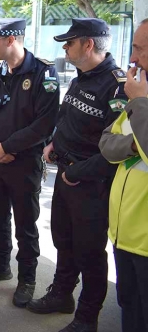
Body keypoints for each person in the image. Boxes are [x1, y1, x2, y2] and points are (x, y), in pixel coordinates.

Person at [26, 19, 126, 332]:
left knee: (90, 253)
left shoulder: (117, 85)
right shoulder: (81, 77)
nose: (65, 48)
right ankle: (61, 295)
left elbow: (117, 149)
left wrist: (78, 173)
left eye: (70, 43)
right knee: (64, 240)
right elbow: (67, 117)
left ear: (89, 44)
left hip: (91, 183)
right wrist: (55, 142)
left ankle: (87, 318)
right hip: (67, 175)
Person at [0, 18, 59, 308]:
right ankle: (0, 266)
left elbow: (44, 125)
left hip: (24, 164)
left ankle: (27, 279)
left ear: (11, 40)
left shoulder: (42, 74)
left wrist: (8, 147)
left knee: (25, 225)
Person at [99, 18, 148, 332]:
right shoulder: (139, 100)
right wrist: (135, 144)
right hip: (124, 236)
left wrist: (140, 102)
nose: (133, 59)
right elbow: (107, 143)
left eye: (141, 49)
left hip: (145, 244)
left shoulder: (139, 100)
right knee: (129, 312)